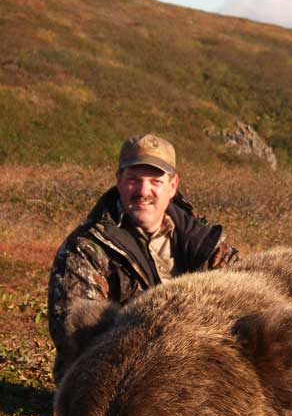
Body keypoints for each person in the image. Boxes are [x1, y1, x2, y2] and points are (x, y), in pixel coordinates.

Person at [48, 133, 238, 382]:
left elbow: (243, 310)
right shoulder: (86, 248)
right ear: (119, 181)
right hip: (115, 378)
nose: (143, 191)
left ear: (173, 186)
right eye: (133, 180)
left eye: (155, 182)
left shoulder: (206, 244)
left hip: (195, 376)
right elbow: (75, 336)